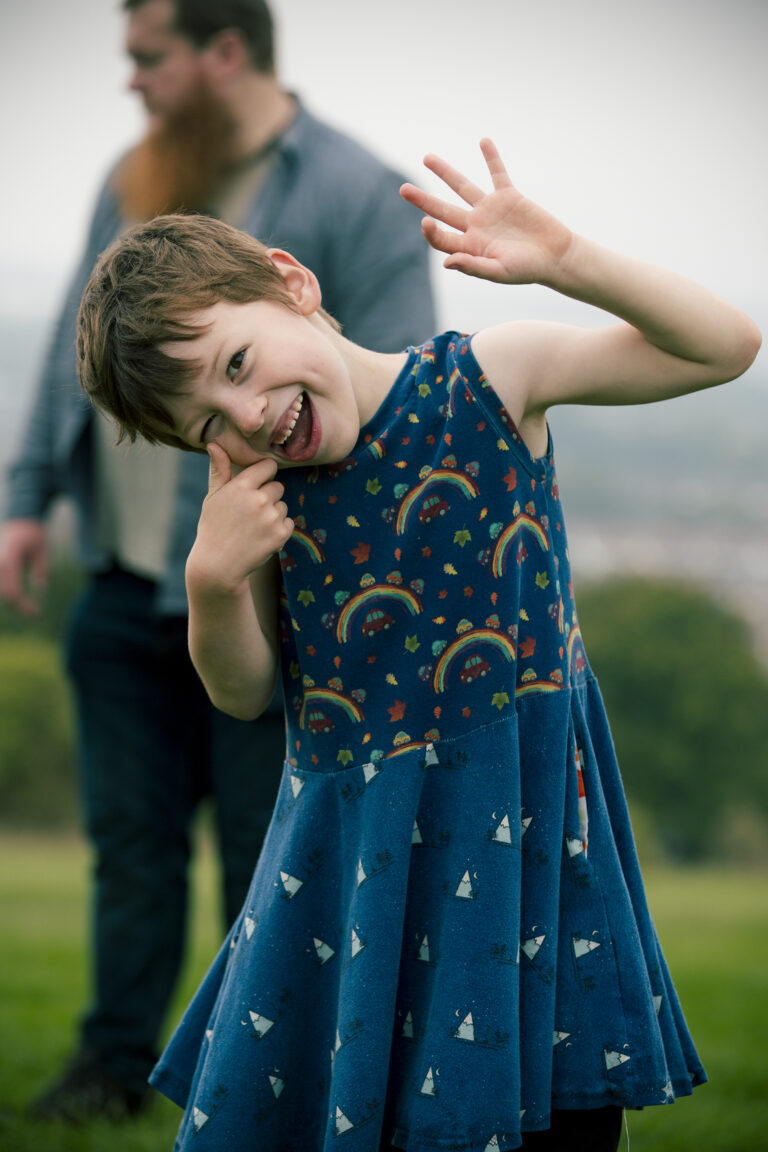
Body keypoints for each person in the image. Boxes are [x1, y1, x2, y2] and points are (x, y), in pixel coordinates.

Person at [75, 138, 760, 1152]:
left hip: (525, 853)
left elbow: (726, 347)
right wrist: (212, 584)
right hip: (362, 887)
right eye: (206, 423)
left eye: (237, 364)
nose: (251, 416)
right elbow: (246, 692)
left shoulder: (493, 379)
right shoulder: (258, 509)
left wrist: (567, 257)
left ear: (293, 283)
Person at [0, 0, 434, 1124]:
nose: (133, 83)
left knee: (269, 853)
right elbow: (70, 352)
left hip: (283, 598)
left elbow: (391, 386)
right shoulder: (131, 177)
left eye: (150, 59)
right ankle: (110, 1074)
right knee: (128, 850)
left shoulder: (349, 188)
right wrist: (27, 497)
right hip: (126, 572)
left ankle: (280, 1080)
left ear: (224, 52)